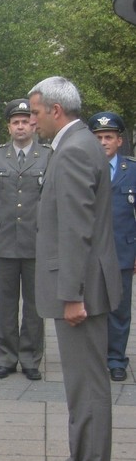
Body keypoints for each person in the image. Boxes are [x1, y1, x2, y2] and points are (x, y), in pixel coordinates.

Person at [29, 77, 120, 461]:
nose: (32, 121)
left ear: (55, 111)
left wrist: (73, 295)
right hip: (84, 284)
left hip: (82, 290)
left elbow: (77, 230)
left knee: (87, 384)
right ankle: (82, 460)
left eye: (35, 113)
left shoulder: (74, 150)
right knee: (80, 383)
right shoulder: (77, 145)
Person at [0, 98, 51, 381]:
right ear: (8, 127)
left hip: (37, 244)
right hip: (5, 243)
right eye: (15, 122)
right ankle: (6, 358)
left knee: (35, 306)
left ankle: (31, 358)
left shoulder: (48, 156)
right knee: (7, 305)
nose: (20, 126)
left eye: (25, 121)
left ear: (33, 124)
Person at [89, 111, 136, 382]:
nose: (104, 142)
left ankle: (117, 358)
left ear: (119, 141)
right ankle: (95, 357)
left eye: (109, 137)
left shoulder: (132, 171)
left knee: (119, 308)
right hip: (91, 253)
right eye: (98, 137)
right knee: (93, 307)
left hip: (122, 250)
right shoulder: (83, 169)